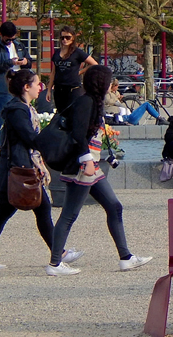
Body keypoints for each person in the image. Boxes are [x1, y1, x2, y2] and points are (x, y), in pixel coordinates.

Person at [47, 65, 152, 276]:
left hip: (91, 165)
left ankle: (126, 257)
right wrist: (86, 159)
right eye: (108, 81)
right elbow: (78, 134)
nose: (110, 85)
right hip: (84, 165)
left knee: (114, 207)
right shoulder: (87, 102)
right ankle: (55, 263)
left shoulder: (90, 101)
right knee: (69, 214)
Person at [0, 69, 83, 271]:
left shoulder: (20, 107)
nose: (40, 87)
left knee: (9, 212)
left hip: (17, 167)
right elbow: (30, 138)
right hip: (18, 168)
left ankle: (59, 254)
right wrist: (54, 134)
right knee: (36, 209)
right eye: (36, 83)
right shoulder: (18, 110)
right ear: (26, 87)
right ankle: (58, 257)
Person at [47, 26, 98, 114]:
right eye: (62, 38)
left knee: (72, 113)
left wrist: (80, 72)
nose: (65, 40)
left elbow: (94, 64)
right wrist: (48, 90)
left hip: (72, 88)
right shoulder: (57, 53)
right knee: (60, 113)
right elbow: (53, 72)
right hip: (59, 89)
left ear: (73, 38)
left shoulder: (77, 52)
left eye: (68, 37)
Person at [0, 21, 31, 140]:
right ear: (1, 35)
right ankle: (4, 145)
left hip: (19, 86)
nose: (10, 42)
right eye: (7, 40)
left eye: (12, 39)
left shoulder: (19, 45)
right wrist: (11, 62)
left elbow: (29, 61)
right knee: (5, 119)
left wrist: (25, 62)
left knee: (21, 117)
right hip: (3, 88)